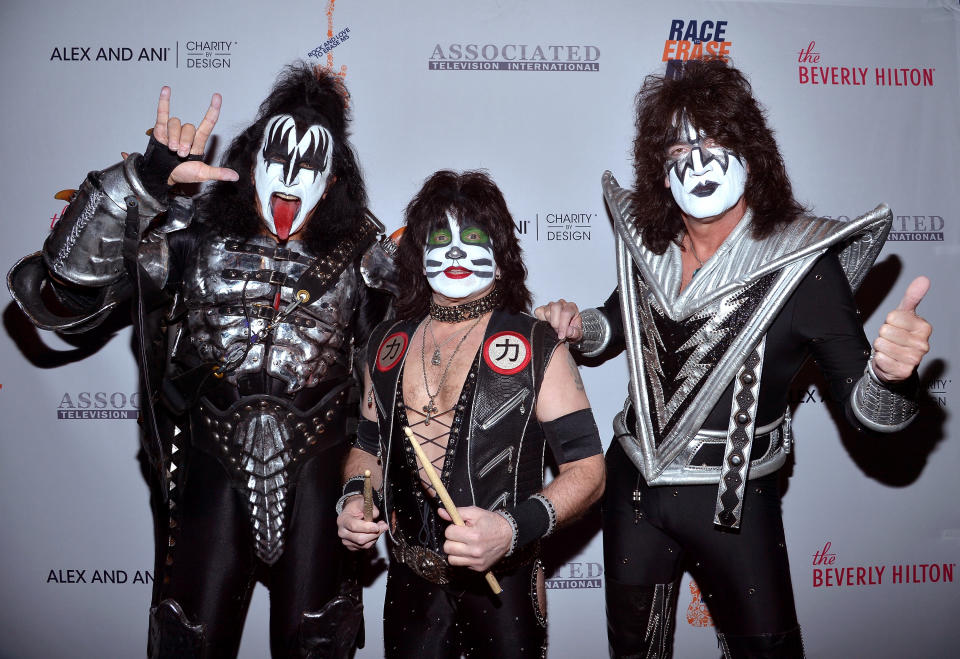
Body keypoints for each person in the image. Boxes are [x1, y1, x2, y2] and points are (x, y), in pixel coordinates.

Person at [535, 59, 931, 657]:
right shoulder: (651, 249)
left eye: (715, 141)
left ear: (752, 153)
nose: (698, 163)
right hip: (631, 488)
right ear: (660, 170)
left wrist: (893, 377)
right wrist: (577, 325)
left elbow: (867, 412)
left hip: (736, 502)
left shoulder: (804, 265)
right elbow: (615, 324)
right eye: (678, 150)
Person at [8, 63, 396, 658]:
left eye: (311, 164)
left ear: (335, 177)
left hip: (321, 470)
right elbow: (58, 288)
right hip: (209, 461)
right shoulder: (192, 235)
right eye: (277, 156)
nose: (290, 176)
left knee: (317, 640)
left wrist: (363, 486)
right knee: (190, 638)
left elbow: (398, 374)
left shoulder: (363, 254)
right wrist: (146, 178)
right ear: (247, 160)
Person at [336, 170, 606, 658]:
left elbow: (588, 471)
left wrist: (511, 529)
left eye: (473, 237)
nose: (456, 251)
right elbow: (368, 448)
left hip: (505, 591)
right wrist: (355, 500)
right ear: (419, 254)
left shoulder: (535, 343)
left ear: (502, 261)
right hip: (408, 589)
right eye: (441, 237)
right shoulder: (385, 347)